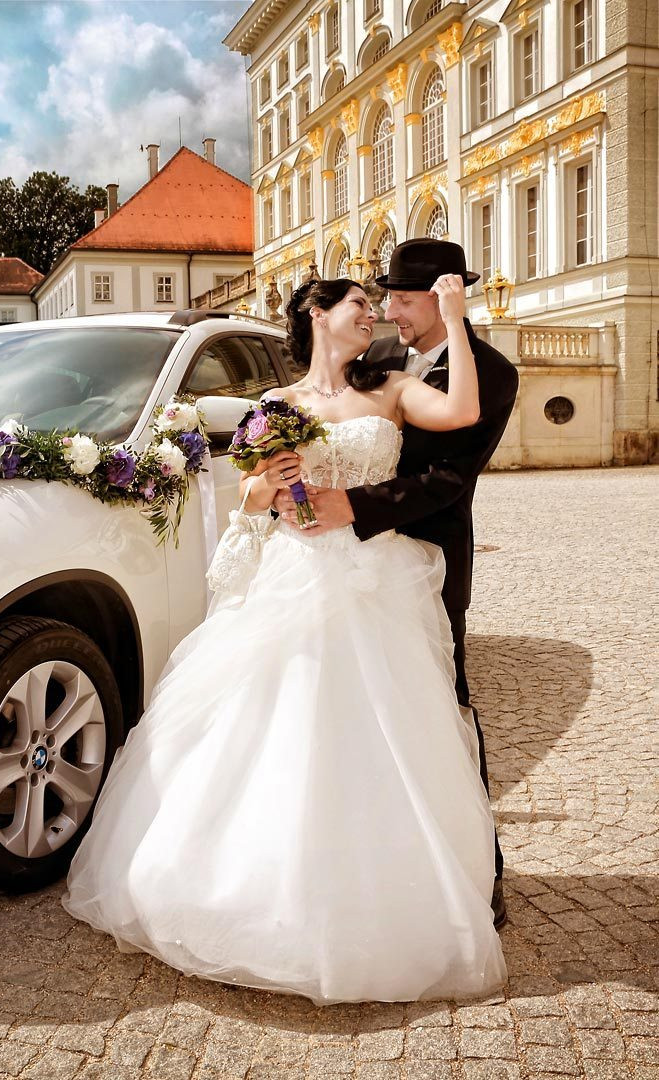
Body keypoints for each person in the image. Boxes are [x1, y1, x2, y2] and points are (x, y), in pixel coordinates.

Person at [62, 262, 507, 1005]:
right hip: (291, 574)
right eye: (359, 304)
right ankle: (248, 893)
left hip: (370, 579)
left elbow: (462, 413)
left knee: (378, 733)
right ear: (317, 315)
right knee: (273, 726)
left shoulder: (391, 387)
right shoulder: (274, 402)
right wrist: (268, 487)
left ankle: (377, 895)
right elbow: (252, 494)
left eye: (375, 304)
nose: (373, 315)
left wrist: (455, 320)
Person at [271, 239, 519, 928]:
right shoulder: (377, 361)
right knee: (344, 713)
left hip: (425, 558)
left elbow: (450, 479)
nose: (389, 314)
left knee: (443, 707)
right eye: (385, 301)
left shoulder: (490, 373)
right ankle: (359, 861)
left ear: (443, 298)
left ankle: (476, 869)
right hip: (338, 566)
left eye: (402, 302)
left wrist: (354, 508)